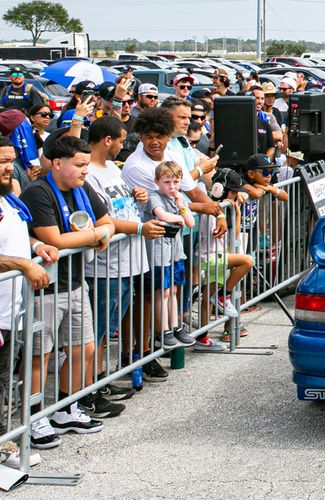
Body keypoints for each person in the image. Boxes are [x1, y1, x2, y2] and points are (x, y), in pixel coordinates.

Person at [21, 135, 117, 447]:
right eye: (79, 165)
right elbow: (56, 240)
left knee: (83, 349)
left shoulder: (82, 187)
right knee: (40, 355)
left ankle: (67, 408)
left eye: (87, 165)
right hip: (46, 289)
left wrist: (100, 231)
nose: (85, 171)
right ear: (59, 164)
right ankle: (34, 419)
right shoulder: (38, 192)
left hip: (76, 282)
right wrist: (96, 235)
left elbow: (108, 222)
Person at [84, 117, 159, 410]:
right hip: (106, 266)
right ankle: (89, 388)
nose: (121, 146)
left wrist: (136, 198)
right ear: (107, 140)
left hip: (128, 262)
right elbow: (101, 219)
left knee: (108, 326)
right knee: (98, 330)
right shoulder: (88, 174)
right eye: (119, 140)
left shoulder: (112, 170)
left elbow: (120, 208)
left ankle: (99, 378)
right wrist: (139, 228)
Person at [0, 137, 58, 458]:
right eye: (1, 162)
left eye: (10, 161)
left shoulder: (8, 197)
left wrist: (36, 247)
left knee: (5, 380)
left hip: (12, 308)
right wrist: (23, 264)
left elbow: (16, 235)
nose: (9, 168)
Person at [144, 160, 196, 351]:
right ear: (157, 181)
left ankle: (176, 327)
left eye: (175, 182)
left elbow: (190, 222)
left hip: (175, 252)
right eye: (167, 182)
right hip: (158, 253)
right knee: (163, 292)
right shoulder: (154, 197)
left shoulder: (179, 197)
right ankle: (164, 331)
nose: (172, 187)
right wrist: (179, 218)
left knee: (173, 290)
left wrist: (181, 205)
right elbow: (162, 215)